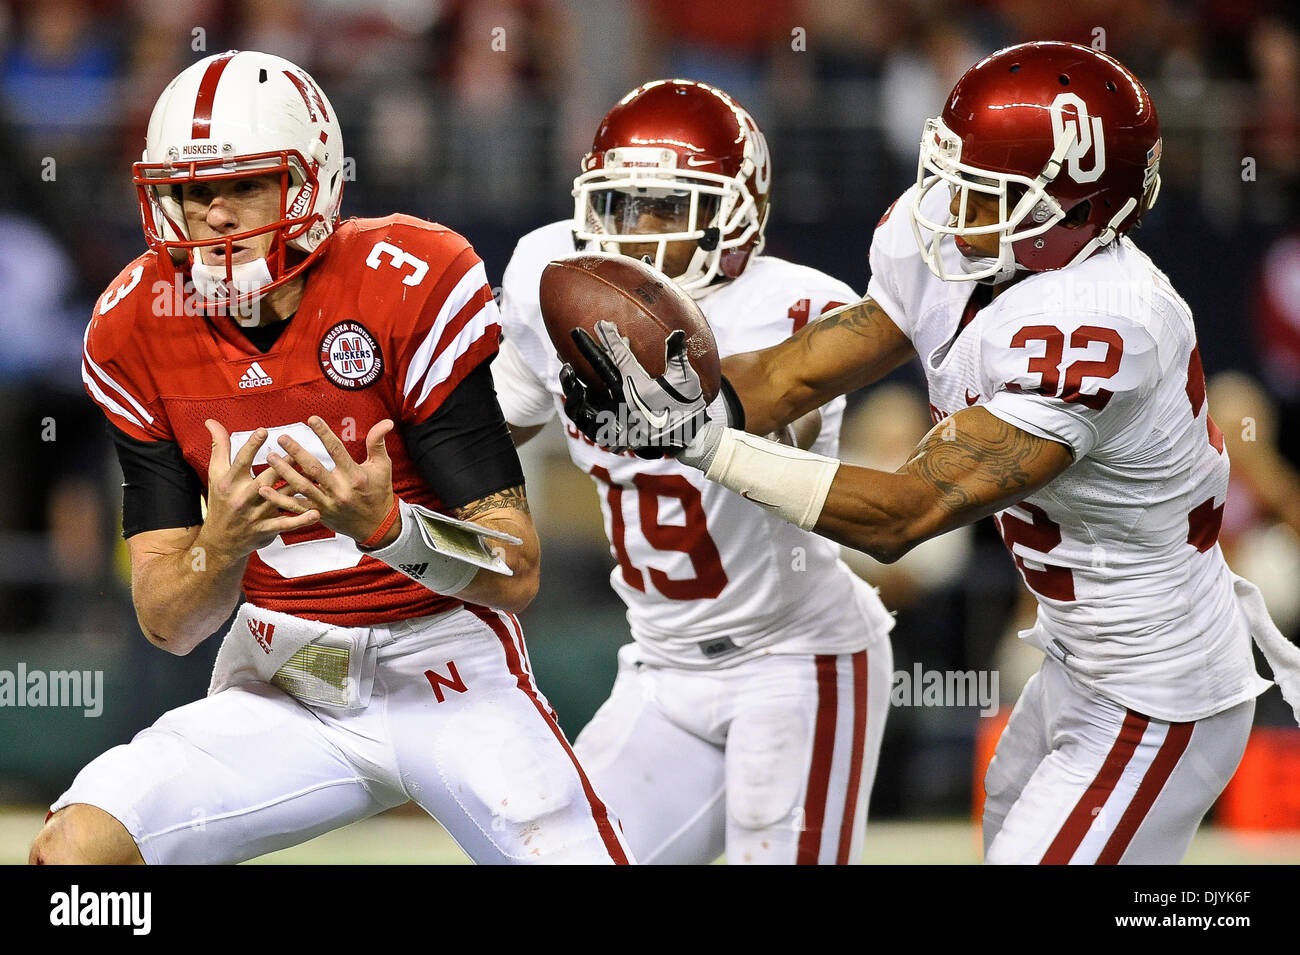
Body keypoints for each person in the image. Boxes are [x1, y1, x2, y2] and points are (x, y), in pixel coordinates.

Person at [563, 43, 1293, 864]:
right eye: (948, 175)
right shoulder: (962, 248)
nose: (945, 207)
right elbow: (806, 367)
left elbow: (904, 514)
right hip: (1074, 659)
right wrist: (682, 392)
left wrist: (701, 441)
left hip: (1158, 688)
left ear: (1077, 213)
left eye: (982, 194)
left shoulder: (1108, 321)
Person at [29, 50, 631, 865]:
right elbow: (169, 623)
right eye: (191, 189)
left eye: (243, 185)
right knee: (75, 854)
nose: (211, 214)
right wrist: (222, 544)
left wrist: (390, 527)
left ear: (308, 182)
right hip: (284, 676)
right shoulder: (135, 324)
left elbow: (513, 567)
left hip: (444, 667)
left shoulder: (406, 280)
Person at [492, 79, 895, 865]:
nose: (637, 232)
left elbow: (791, 418)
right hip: (659, 665)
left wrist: (685, 403)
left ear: (738, 219)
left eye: (669, 209)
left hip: (795, 660)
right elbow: (499, 421)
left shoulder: (800, 306)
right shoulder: (551, 271)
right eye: (622, 204)